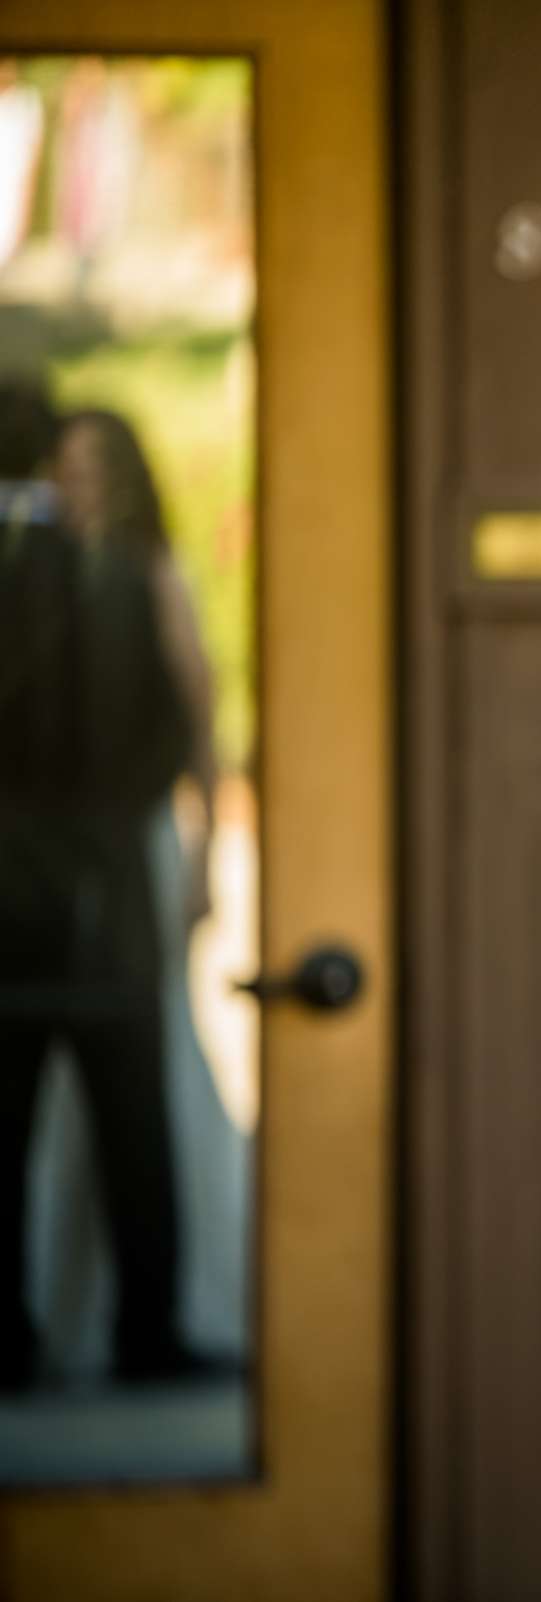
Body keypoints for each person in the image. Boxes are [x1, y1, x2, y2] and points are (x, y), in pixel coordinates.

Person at [40, 406, 249, 1369]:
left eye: (94, 471)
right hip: (49, 860)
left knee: (144, 1077)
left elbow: (201, 717)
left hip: (132, 847)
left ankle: (156, 1310)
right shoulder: (36, 582)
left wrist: (204, 851)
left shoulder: (148, 574)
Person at [0, 377, 196, 1388]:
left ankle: (83, 1334)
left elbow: (175, 722)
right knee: (104, 1120)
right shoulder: (78, 578)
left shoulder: (114, 576)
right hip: (75, 883)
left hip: (55, 882)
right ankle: (129, 1334)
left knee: (81, 1117)